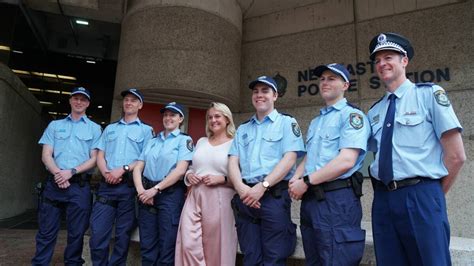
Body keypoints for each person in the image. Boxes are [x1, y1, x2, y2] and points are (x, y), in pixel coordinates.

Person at [367, 32, 465, 265]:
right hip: (383, 200)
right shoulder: (374, 111)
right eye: (378, 60)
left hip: (421, 195)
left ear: (404, 61)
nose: (382, 64)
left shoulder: (429, 95)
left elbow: (456, 156)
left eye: (388, 57)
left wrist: (432, 196)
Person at [288, 63, 370, 265]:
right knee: (314, 261)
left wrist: (305, 181)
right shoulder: (317, 121)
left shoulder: (351, 116)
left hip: (336, 200)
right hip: (312, 200)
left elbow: (346, 160)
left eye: (331, 78)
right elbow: (310, 156)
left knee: (336, 260)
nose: (325, 82)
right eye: (322, 78)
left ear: (345, 85)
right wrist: (295, 177)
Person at [228, 76, 305, 265]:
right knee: (250, 257)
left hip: (273, 197)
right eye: (256, 91)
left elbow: (290, 159)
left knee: (274, 258)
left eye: (265, 91)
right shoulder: (243, 128)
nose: (259, 95)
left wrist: (263, 186)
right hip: (246, 197)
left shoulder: (287, 123)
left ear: (275, 95)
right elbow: (232, 162)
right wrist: (241, 188)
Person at [32, 87, 102, 265]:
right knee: (46, 232)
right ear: (70, 101)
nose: (79, 102)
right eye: (76, 98)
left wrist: (70, 172)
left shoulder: (95, 129)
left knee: (76, 233)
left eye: (83, 99)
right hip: (54, 185)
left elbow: (94, 159)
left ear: (88, 103)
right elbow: (46, 155)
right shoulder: (55, 126)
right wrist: (58, 174)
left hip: (79, 187)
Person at [89, 88, 154, 265]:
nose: (129, 103)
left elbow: (145, 159)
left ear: (140, 105)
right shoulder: (110, 128)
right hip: (106, 187)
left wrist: (123, 169)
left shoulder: (147, 131)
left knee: (122, 236)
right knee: (97, 234)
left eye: (134, 100)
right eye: (126, 99)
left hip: (128, 188)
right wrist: (107, 173)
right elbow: (100, 155)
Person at [175, 102, 238, 266]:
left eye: (217, 116)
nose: (213, 120)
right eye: (210, 117)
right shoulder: (202, 141)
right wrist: (189, 175)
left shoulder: (235, 143)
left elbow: (242, 177)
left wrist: (222, 179)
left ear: (227, 119)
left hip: (221, 197)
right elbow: (192, 167)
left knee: (216, 247)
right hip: (195, 195)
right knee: (188, 243)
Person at [132, 102, 193, 266]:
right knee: (147, 246)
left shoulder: (184, 140)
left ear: (180, 119)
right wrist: (141, 192)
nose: (168, 118)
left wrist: (155, 190)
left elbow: (180, 171)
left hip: (169, 196)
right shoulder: (152, 140)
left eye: (173, 115)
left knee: (167, 246)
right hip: (146, 195)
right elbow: (138, 167)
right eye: (165, 115)